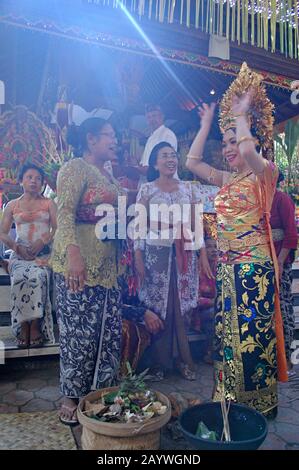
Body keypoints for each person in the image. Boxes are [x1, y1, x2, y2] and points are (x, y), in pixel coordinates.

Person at [186, 63, 288, 417]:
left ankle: (258, 406)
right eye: (225, 142)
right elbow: (192, 160)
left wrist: (241, 116)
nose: (229, 148)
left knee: (252, 340)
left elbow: (247, 153)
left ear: (256, 141)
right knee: (228, 339)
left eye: (235, 140)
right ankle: (228, 399)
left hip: (253, 269)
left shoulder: (266, 174)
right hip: (228, 268)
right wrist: (203, 126)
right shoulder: (226, 180)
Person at [51, 117, 124, 425]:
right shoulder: (74, 168)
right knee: (77, 333)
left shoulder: (107, 174)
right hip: (77, 264)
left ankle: (100, 392)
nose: (115, 140)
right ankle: (70, 394)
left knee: (105, 334)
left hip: (108, 268)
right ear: (91, 139)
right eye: (109, 134)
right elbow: (64, 212)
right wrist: (73, 254)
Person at [134, 142, 202, 381]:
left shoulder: (190, 189)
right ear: (155, 163)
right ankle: (158, 364)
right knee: (158, 307)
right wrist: (138, 255)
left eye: (173, 155)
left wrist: (200, 253)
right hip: (156, 258)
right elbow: (139, 226)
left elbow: (196, 225)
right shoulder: (147, 190)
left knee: (180, 307)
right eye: (164, 156)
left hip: (184, 257)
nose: (170, 159)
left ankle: (183, 360)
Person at [0, 164, 56, 348]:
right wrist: (16, 247)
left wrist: (43, 241)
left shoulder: (49, 203)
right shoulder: (12, 205)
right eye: (29, 177)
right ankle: (24, 324)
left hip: (43, 254)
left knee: (37, 275)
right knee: (19, 277)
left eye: (38, 178)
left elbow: (58, 228)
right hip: (19, 255)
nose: (34, 181)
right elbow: (2, 233)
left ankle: (34, 324)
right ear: (21, 180)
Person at [270, 171, 298, 373]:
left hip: (280, 262)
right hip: (261, 262)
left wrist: (279, 262)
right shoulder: (257, 200)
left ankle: (286, 357)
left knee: (283, 307)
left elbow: (291, 234)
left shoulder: (283, 200)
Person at [138, 104, 178, 186]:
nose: (152, 119)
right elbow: (145, 163)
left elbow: (168, 163)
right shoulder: (151, 137)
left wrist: (148, 169)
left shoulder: (167, 134)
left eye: (154, 116)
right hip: (151, 184)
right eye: (149, 117)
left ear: (162, 116)